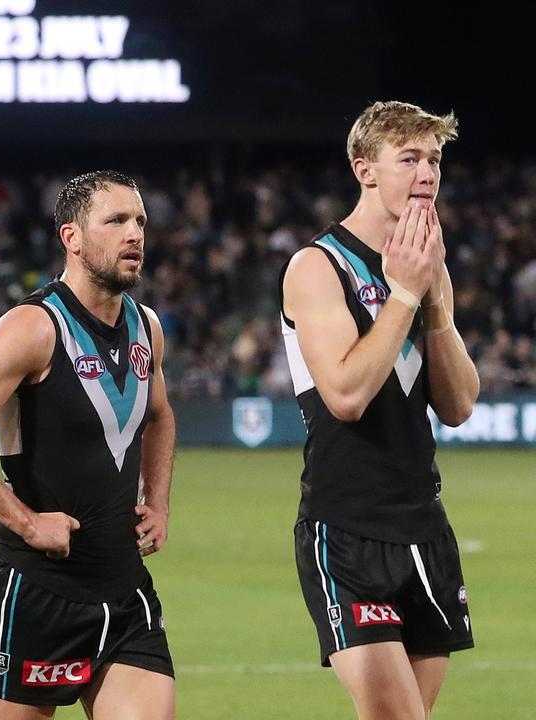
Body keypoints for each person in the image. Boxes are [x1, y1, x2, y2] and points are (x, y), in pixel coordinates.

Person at [0, 170, 176, 719]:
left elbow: (160, 415)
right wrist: (28, 523)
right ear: (72, 238)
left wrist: (158, 500)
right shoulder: (33, 328)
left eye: (140, 222)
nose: (134, 234)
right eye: (116, 221)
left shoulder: (146, 327)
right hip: (35, 593)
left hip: (124, 589)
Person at [279, 101, 479, 720]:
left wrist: (435, 301)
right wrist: (406, 293)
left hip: (425, 530)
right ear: (365, 170)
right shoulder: (317, 267)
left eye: (435, 160)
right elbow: (344, 395)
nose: (427, 174)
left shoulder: (425, 265)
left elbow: (459, 404)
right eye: (410, 159)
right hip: (347, 531)